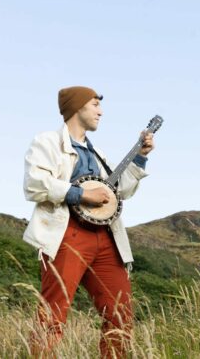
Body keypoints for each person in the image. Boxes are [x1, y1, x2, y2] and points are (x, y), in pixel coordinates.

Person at [23, 86, 154, 358]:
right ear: (77, 106)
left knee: (120, 311)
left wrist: (140, 155)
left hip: (106, 237)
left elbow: (119, 192)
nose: (100, 111)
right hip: (66, 233)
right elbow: (35, 184)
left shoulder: (98, 155)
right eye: (95, 104)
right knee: (53, 312)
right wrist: (81, 194)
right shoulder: (46, 142)